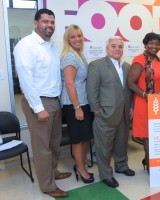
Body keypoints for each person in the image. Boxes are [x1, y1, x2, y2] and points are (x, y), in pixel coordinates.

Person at [13, 9, 71, 198]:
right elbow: (26, 80)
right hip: (39, 102)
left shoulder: (52, 45)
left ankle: (52, 173)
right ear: (36, 23)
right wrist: (38, 108)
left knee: (54, 144)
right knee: (42, 148)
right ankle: (47, 186)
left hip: (54, 101)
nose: (49, 25)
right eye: (45, 21)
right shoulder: (26, 45)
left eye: (52, 22)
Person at [87, 36, 135, 188]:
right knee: (104, 146)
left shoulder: (128, 66)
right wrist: (95, 110)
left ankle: (121, 166)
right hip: (105, 113)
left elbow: (130, 89)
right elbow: (91, 89)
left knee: (122, 142)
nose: (117, 49)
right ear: (107, 48)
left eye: (120, 46)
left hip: (124, 113)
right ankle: (106, 175)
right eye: (113, 46)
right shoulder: (97, 65)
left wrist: (131, 107)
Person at [127, 32, 160, 173]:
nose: (154, 46)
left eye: (157, 44)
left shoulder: (159, 61)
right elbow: (130, 83)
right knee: (148, 136)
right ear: (145, 44)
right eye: (151, 43)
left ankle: (150, 160)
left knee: (157, 135)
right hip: (145, 103)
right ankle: (151, 166)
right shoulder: (139, 60)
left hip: (159, 104)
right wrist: (145, 94)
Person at [60, 25, 94, 184]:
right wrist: (77, 107)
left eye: (79, 35)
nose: (77, 39)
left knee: (86, 137)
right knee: (78, 139)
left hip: (83, 103)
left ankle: (81, 164)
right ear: (68, 40)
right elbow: (69, 83)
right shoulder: (70, 57)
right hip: (74, 105)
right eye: (73, 37)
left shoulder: (79, 55)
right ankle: (80, 169)